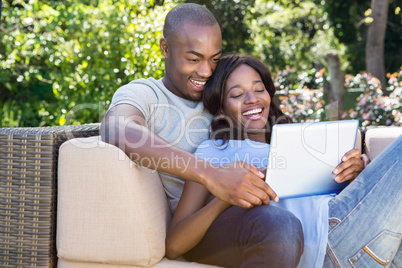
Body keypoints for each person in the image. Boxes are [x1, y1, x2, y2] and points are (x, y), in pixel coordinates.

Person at [101, 4, 303, 265]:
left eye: (214, 59)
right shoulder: (147, 94)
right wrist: (211, 175)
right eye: (194, 59)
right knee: (277, 225)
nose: (206, 72)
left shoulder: (225, 93)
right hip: (209, 229)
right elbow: (117, 128)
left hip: (260, 214)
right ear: (165, 48)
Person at [166, 54, 402, 268]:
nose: (252, 99)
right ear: (220, 110)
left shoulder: (298, 140)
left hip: (367, 238)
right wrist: (224, 197)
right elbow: (175, 244)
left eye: (259, 89)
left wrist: (357, 172)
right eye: (237, 94)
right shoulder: (212, 152)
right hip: (326, 244)